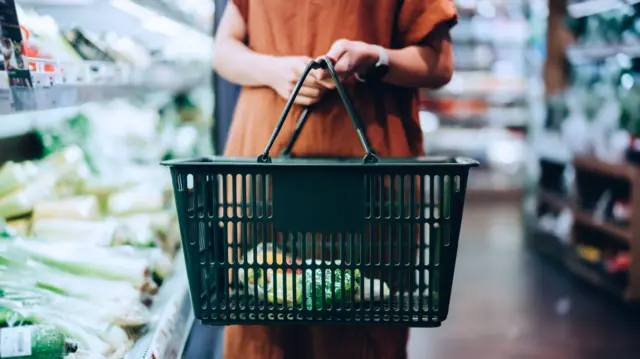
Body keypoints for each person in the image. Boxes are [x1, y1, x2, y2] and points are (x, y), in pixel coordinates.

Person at [213, 0, 457, 358]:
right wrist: (272, 70)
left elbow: (439, 63)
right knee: (260, 315)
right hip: (266, 165)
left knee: (363, 315)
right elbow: (223, 49)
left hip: (365, 173)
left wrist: (377, 58)